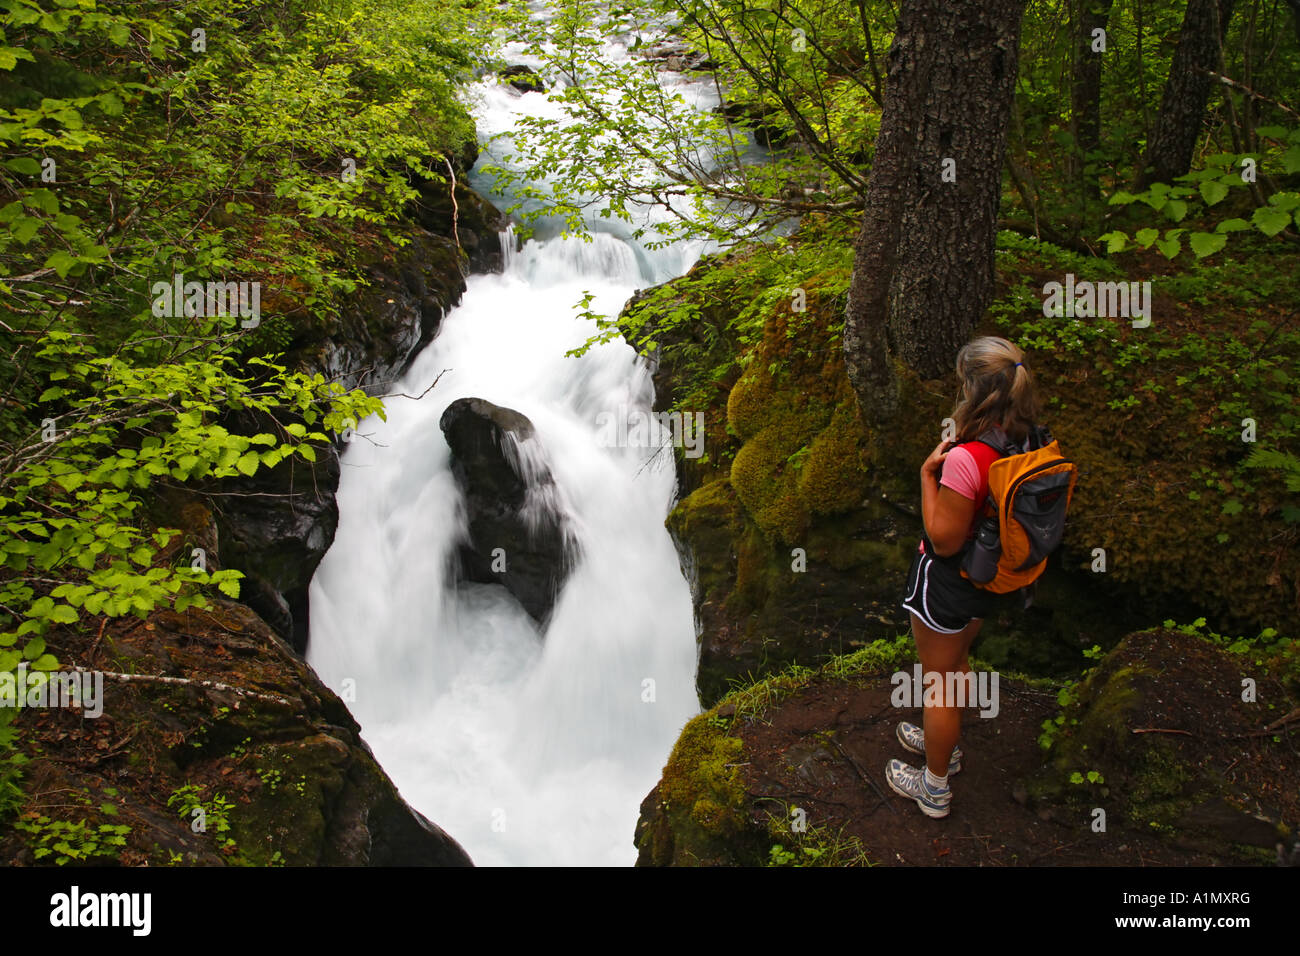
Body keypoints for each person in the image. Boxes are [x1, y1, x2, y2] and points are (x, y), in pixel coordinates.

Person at [886, 335, 1044, 818]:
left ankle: (934, 787)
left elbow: (943, 539)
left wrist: (926, 477)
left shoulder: (967, 458)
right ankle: (944, 746)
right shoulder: (1030, 438)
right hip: (990, 576)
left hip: (950, 580)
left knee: (939, 684)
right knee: (955, 668)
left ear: (974, 388)